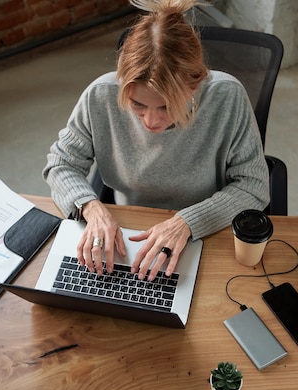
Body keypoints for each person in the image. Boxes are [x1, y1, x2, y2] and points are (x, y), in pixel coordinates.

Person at [43, 0, 269, 281]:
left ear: (194, 86)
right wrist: (91, 207)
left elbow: (254, 185)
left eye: (165, 107)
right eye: (137, 104)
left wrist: (186, 223)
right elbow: (61, 163)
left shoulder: (227, 97)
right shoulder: (100, 95)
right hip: (126, 231)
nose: (150, 121)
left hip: (204, 231)